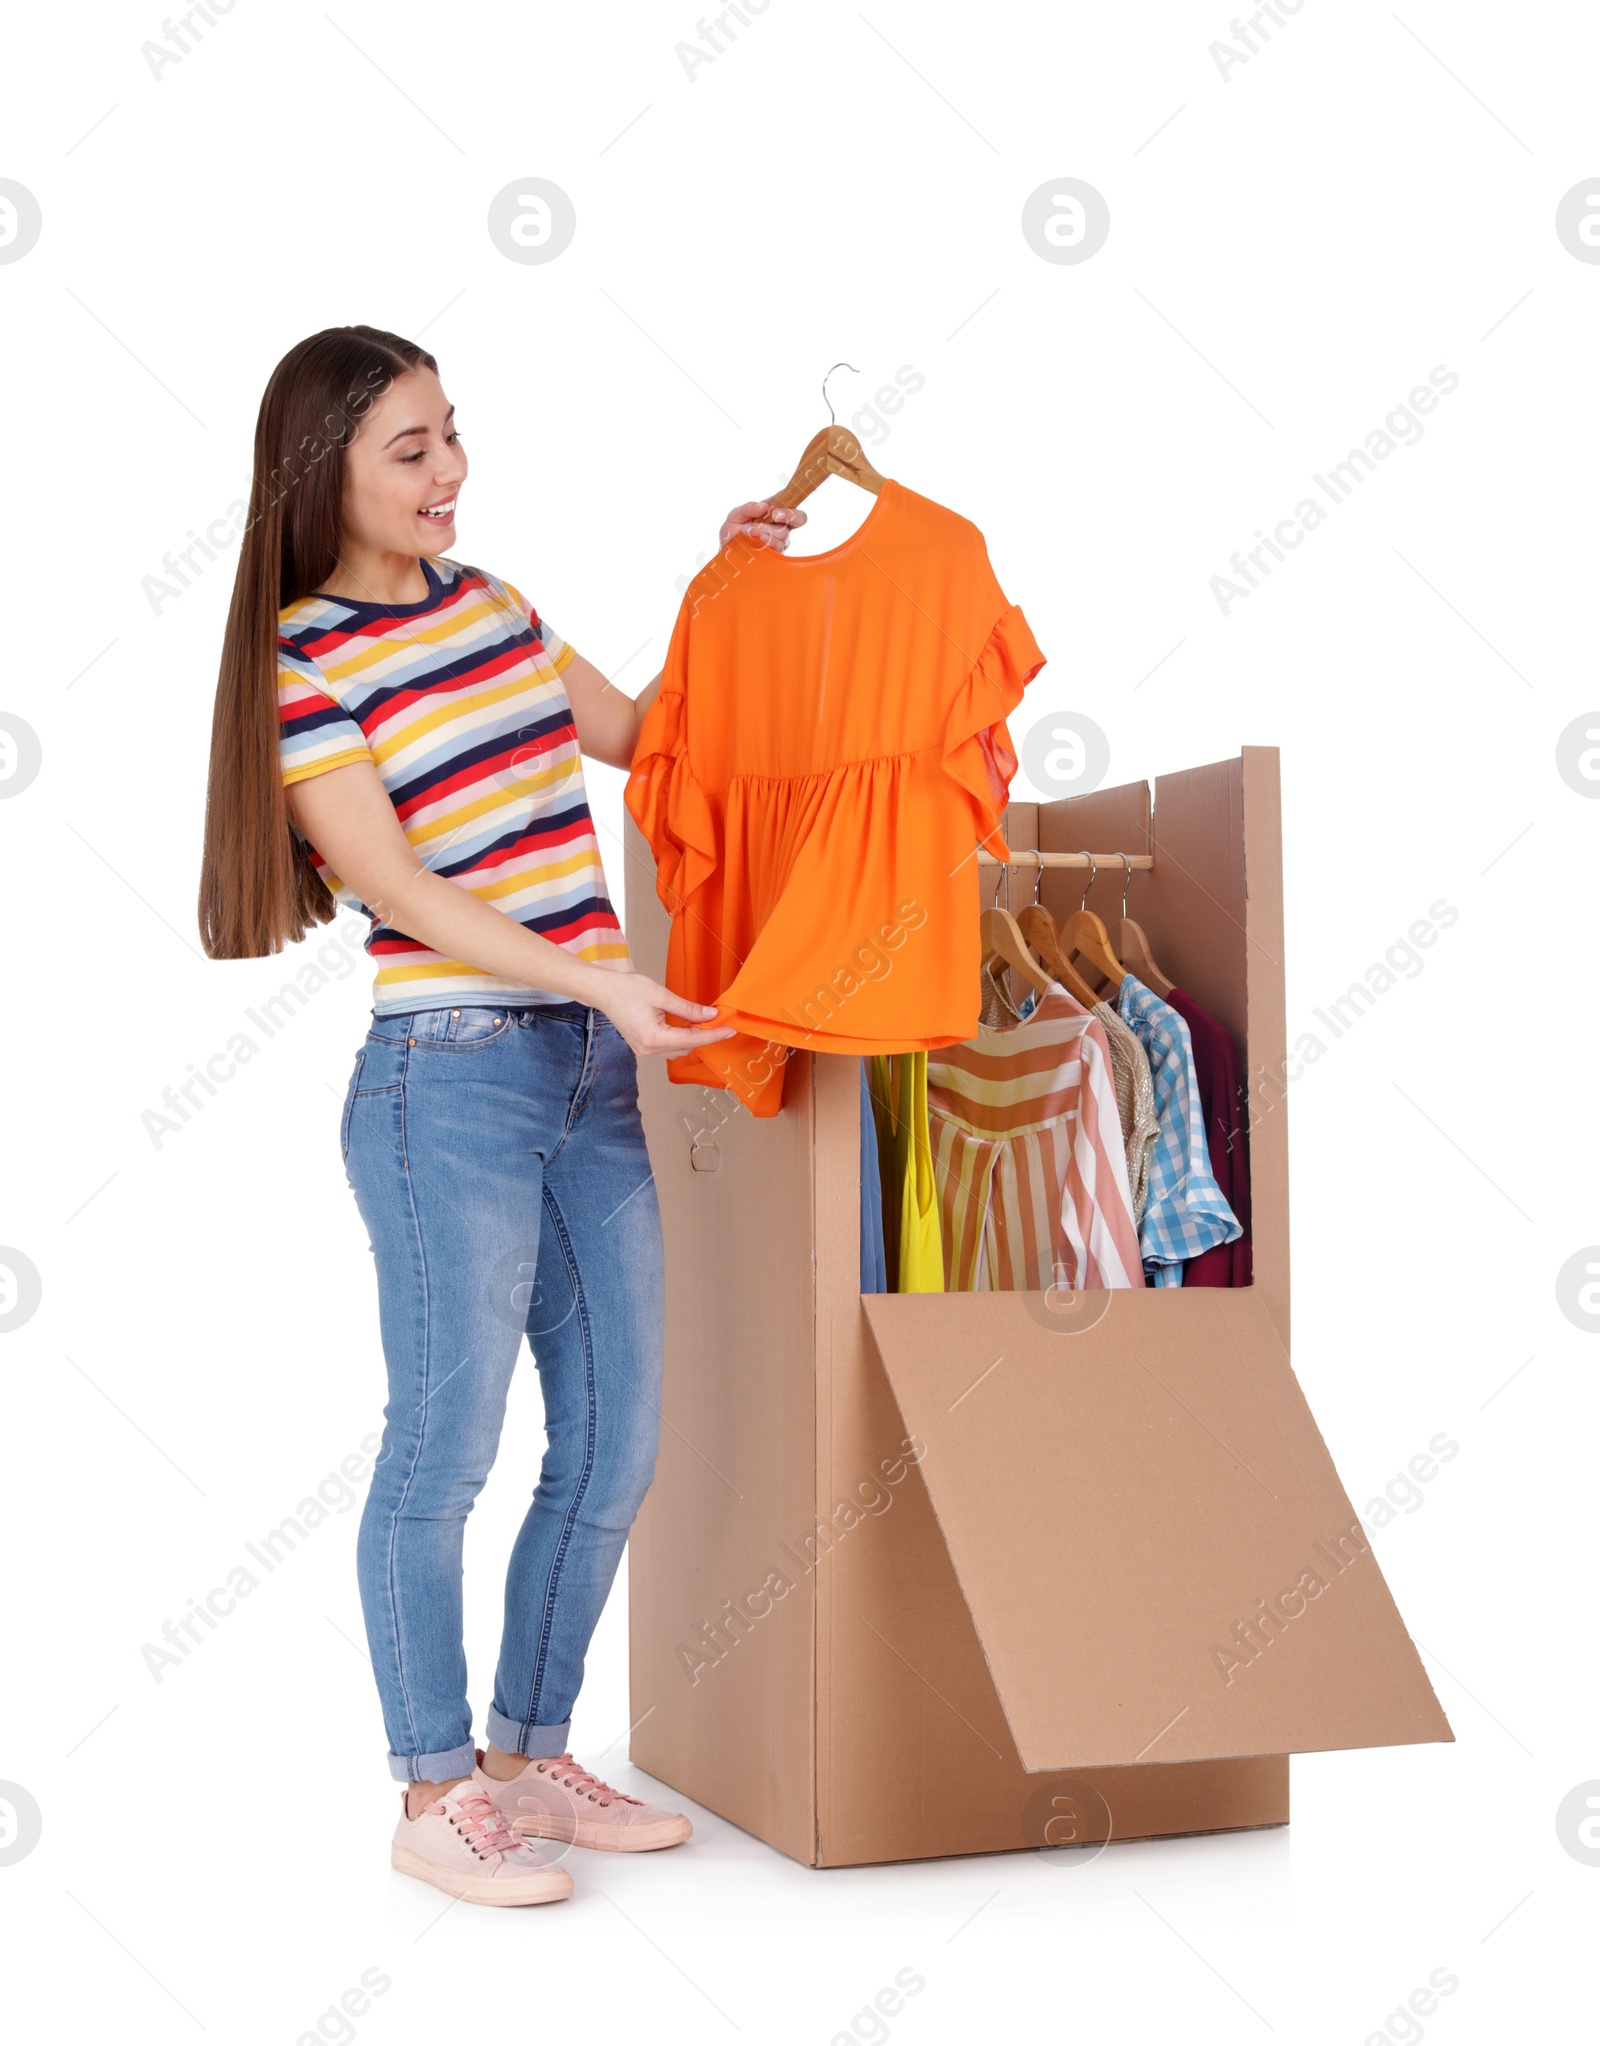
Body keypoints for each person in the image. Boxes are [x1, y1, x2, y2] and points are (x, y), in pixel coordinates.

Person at [199, 324, 803, 1907]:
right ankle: (430, 1790)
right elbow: (395, 884)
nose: (450, 469)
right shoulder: (301, 662)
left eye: (453, 434)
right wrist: (603, 981)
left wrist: (722, 586)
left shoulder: (499, 607)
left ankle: (530, 1759)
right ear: (321, 469)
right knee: (446, 1447)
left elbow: (650, 732)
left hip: (591, 1071)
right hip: (444, 1080)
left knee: (616, 1438)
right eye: (411, 447)